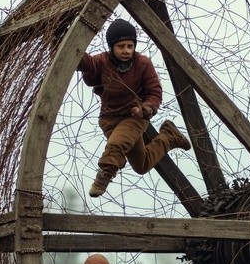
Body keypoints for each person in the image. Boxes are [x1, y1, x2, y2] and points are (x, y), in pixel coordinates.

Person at [77, 18, 191, 197]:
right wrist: (65, 40)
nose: (126, 51)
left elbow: (154, 93)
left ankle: (104, 176)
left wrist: (145, 109)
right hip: (109, 119)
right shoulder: (102, 61)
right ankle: (169, 136)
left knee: (116, 146)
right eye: (121, 46)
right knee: (142, 164)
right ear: (112, 47)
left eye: (130, 46)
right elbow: (85, 62)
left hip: (134, 116)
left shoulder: (143, 64)